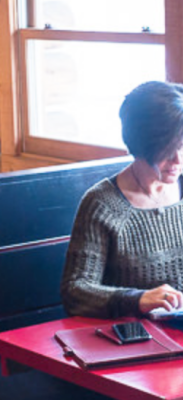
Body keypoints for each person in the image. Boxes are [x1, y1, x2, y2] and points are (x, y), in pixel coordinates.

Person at [61, 81, 183, 319]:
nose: (178, 159)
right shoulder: (103, 204)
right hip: (137, 339)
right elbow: (75, 292)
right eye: (167, 149)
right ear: (141, 144)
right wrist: (138, 299)